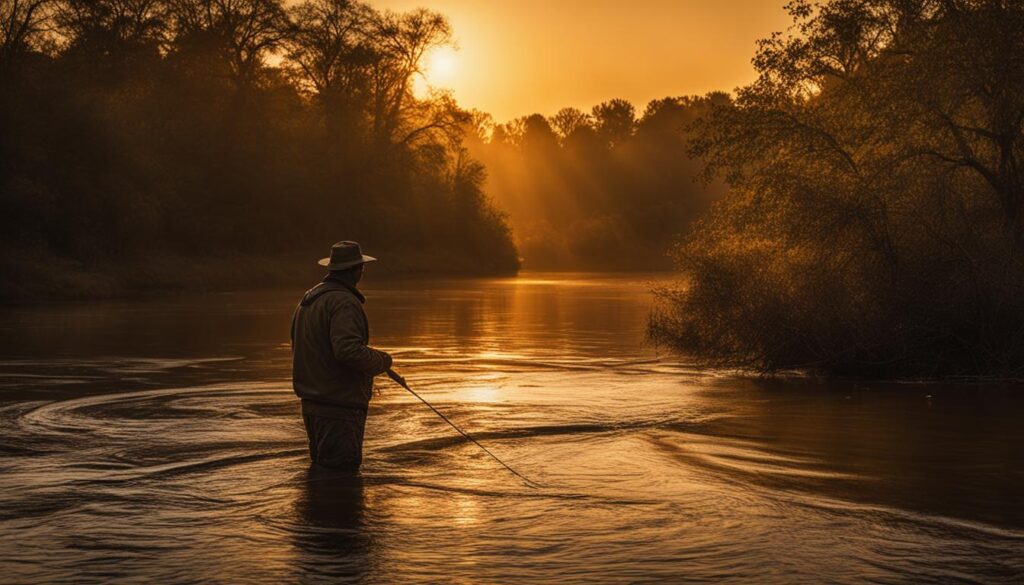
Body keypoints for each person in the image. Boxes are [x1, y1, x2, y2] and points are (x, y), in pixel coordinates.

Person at [291, 241, 393, 469]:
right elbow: (348, 351)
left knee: (324, 476)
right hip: (339, 407)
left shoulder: (309, 300)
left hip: (313, 404)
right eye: (361, 268)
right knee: (341, 477)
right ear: (357, 271)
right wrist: (383, 361)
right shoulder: (344, 302)